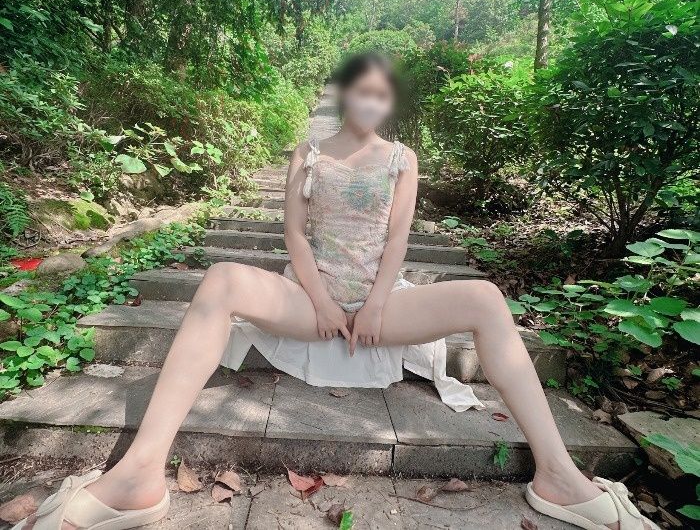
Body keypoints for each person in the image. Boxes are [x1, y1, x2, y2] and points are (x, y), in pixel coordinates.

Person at [16, 53, 657, 530]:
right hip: (311, 297)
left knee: (488, 298)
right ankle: (138, 475)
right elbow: (294, 235)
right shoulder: (309, 154)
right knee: (221, 279)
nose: (370, 100)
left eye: (381, 92)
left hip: (383, 299)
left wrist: (375, 303)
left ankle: (559, 476)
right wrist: (322, 300)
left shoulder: (403, 159)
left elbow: (399, 237)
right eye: (360, 89)